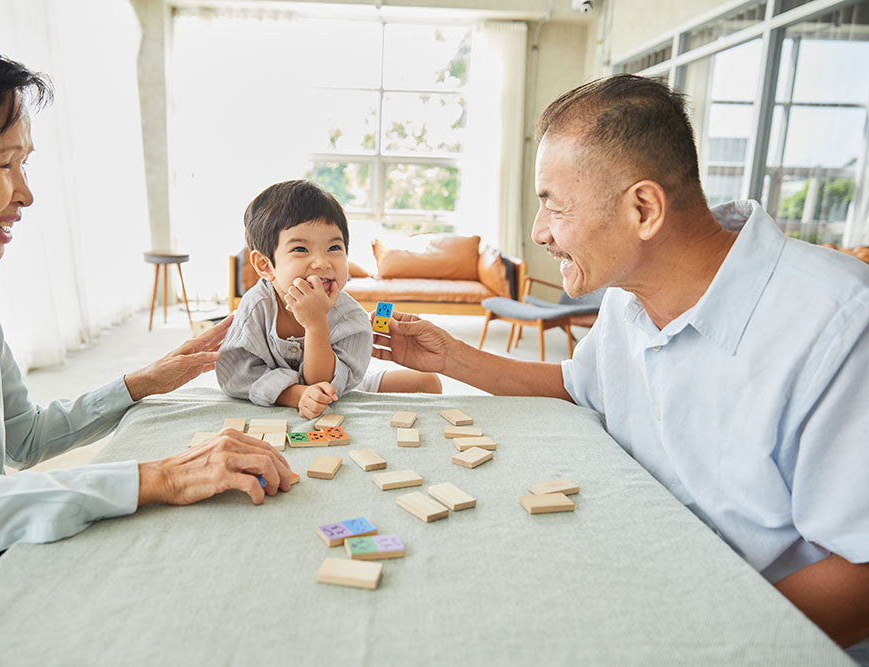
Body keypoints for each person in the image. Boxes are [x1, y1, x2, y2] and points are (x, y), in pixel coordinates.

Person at [372, 75, 869, 658]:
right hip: (646, 574)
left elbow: (860, 577)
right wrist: (450, 356)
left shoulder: (839, 324)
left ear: (643, 208)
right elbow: (574, 387)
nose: (539, 234)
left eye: (553, 205)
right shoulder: (625, 296)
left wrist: (682, 639)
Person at [0, 23, 293, 665]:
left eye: (26, 165)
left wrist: (139, 382)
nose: (26, 194)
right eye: (4, 164)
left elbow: (23, 437)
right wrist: (152, 477)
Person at [215, 179, 440, 419]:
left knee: (428, 381)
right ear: (265, 265)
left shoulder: (350, 316)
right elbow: (235, 375)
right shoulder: (256, 305)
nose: (322, 263)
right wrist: (294, 394)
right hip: (280, 390)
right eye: (300, 249)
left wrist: (316, 323)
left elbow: (324, 386)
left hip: (342, 389)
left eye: (334, 248)